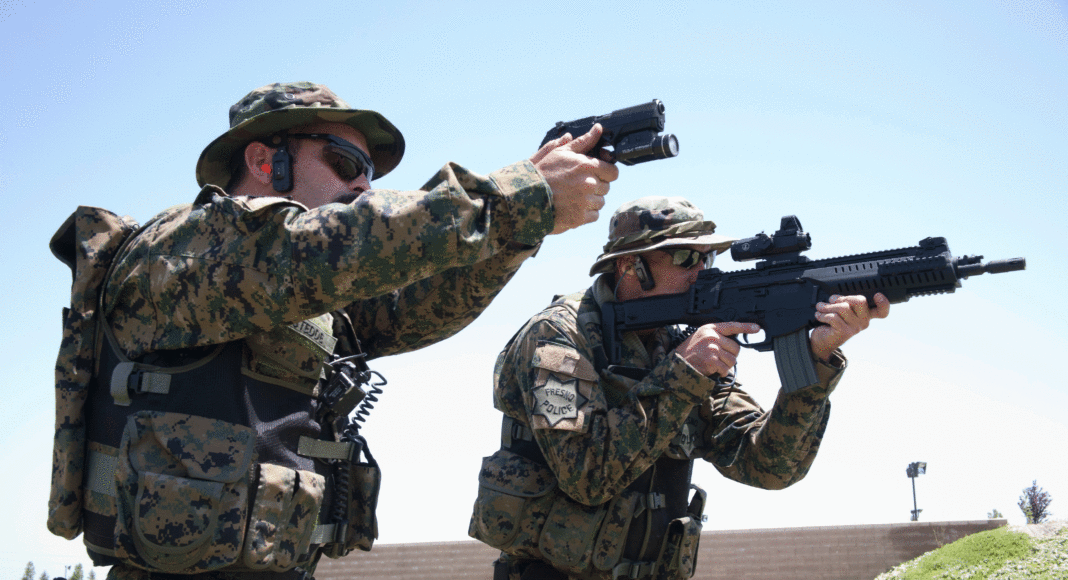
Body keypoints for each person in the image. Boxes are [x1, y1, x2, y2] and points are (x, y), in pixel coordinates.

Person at [48, 81, 619, 580]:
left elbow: (417, 303)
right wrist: (518, 196)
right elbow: (326, 248)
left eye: (369, 173)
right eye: (346, 163)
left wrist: (519, 228)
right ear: (265, 160)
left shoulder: (306, 292)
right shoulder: (184, 251)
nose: (364, 186)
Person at [468, 196, 890, 580]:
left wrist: (812, 366)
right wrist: (684, 372)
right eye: (687, 257)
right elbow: (587, 476)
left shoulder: (677, 345)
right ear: (630, 265)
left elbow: (770, 465)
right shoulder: (558, 337)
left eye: (707, 259)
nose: (701, 272)